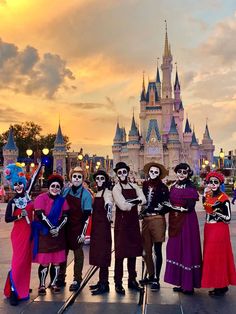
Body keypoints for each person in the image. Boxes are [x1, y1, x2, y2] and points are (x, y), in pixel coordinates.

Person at [164, 163, 202, 294]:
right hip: (174, 221)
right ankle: (180, 282)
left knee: (186, 248)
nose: (181, 174)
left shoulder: (190, 187)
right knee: (176, 249)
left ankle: (188, 285)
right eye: (179, 171)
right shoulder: (173, 185)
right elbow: (169, 202)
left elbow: (190, 207)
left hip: (187, 222)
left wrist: (177, 208)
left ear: (188, 174)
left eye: (184, 172)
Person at [112, 162, 146, 295]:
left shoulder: (134, 186)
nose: (122, 175)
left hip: (133, 223)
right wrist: (136, 201)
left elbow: (143, 199)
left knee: (132, 253)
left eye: (124, 172)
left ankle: (132, 279)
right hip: (121, 224)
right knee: (120, 254)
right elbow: (122, 206)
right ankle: (118, 282)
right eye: (119, 172)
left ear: (127, 172)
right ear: (117, 174)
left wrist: (134, 201)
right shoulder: (116, 188)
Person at [57, 166, 93, 291]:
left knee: (78, 254)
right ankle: (60, 277)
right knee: (62, 253)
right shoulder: (65, 191)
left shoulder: (86, 195)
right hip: (65, 227)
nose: (76, 179)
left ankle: (77, 279)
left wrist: (83, 233)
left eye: (79, 177)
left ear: (83, 179)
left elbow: (87, 215)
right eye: (74, 176)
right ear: (71, 178)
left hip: (78, 227)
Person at [32, 174, 69, 295]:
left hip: (58, 234)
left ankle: (53, 283)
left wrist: (57, 228)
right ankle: (42, 285)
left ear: (60, 188)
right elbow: (40, 215)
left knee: (56, 261)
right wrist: (52, 227)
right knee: (44, 261)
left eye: (58, 186)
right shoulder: (40, 198)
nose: (55, 188)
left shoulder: (62, 201)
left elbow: (65, 216)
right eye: (53, 186)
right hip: (44, 233)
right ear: (49, 187)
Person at [201, 171, 236, 296]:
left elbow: (227, 218)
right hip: (209, 228)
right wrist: (204, 197)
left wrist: (217, 212)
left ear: (220, 183)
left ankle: (222, 285)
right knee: (211, 257)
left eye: (216, 182)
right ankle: (217, 284)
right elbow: (206, 208)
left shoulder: (224, 198)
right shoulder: (209, 195)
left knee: (218, 257)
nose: (213, 184)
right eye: (211, 182)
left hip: (219, 229)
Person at [3, 163, 34, 306]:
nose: (18, 186)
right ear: (13, 186)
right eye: (15, 184)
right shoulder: (13, 202)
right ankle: (14, 291)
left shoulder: (28, 198)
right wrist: (19, 216)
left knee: (26, 263)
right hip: (18, 235)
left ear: (23, 184)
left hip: (30, 234)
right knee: (18, 262)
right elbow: (7, 219)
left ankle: (23, 288)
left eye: (20, 184)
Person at [140, 162, 169, 290]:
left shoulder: (163, 187)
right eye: (151, 172)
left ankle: (156, 278)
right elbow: (142, 201)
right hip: (146, 220)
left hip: (157, 219)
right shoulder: (144, 185)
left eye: (156, 172)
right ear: (148, 172)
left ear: (159, 174)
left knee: (157, 250)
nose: (153, 174)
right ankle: (150, 275)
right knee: (146, 250)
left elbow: (167, 204)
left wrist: (159, 209)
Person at [89, 170, 113, 295]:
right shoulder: (97, 193)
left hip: (103, 227)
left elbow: (109, 203)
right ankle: (101, 281)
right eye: (97, 178)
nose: (99, 181)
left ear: (106, 180)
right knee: (98, 253)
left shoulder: (107, 192)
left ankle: (105, 284)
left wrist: (109, 211)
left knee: (103, 254)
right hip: (96, 227)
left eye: (102, 179)